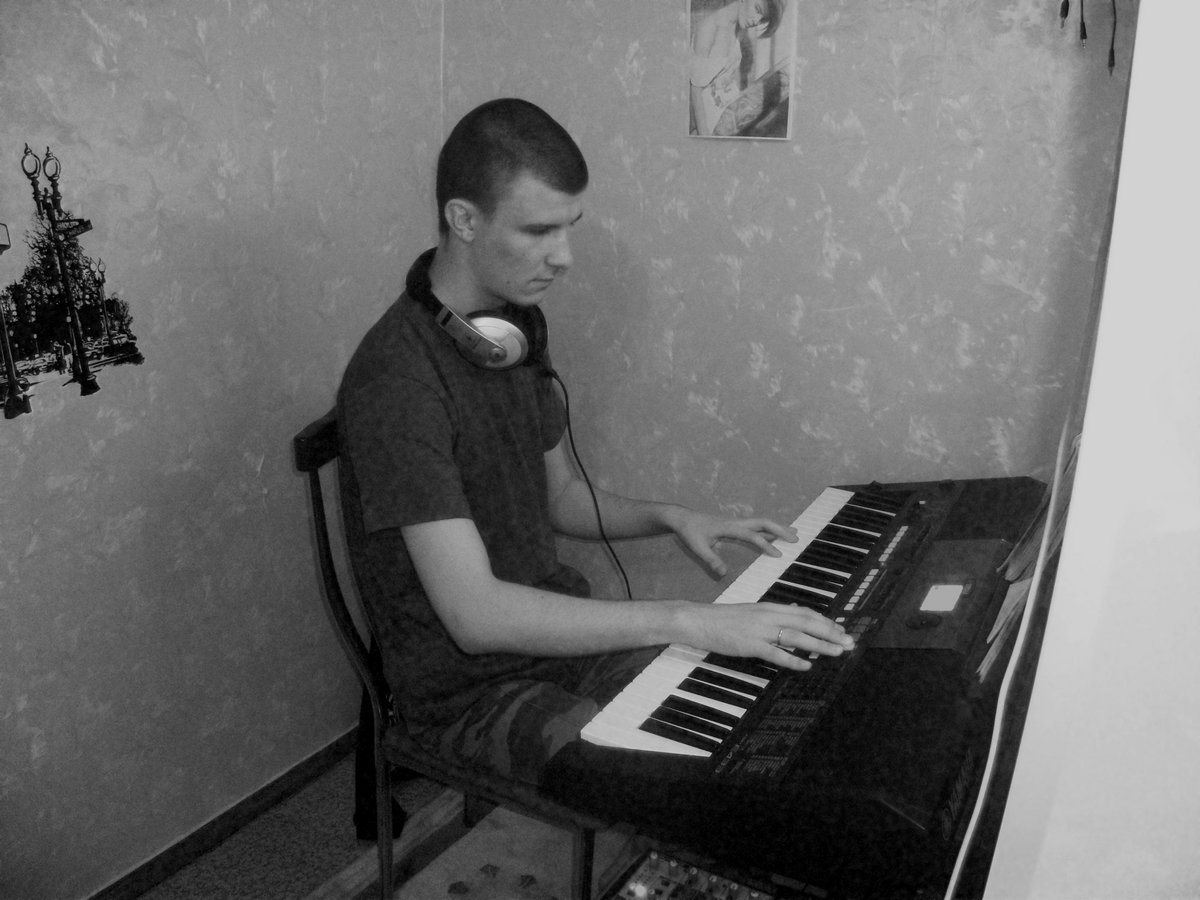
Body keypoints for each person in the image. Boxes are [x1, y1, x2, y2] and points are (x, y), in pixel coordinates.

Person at [337, 97, 853, 790]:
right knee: (664, 779)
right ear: (464, 219)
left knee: (753, 704)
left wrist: (672, 516)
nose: (565, 258)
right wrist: (688, 619)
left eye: (569, 228)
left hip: (554, 643)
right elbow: (475, 617)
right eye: (539, 230)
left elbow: (563, 499)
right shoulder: (396, 383)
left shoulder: (510, 333)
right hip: (466, 692)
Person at [689, 0, 785, 136]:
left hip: (729, 106)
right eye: (757, 9)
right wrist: (704, 135)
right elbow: (695, 89)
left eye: (762, 19)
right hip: (709, 116)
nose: (756, 21)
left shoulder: (739, 26)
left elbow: (726, 73)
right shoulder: (709, 27)